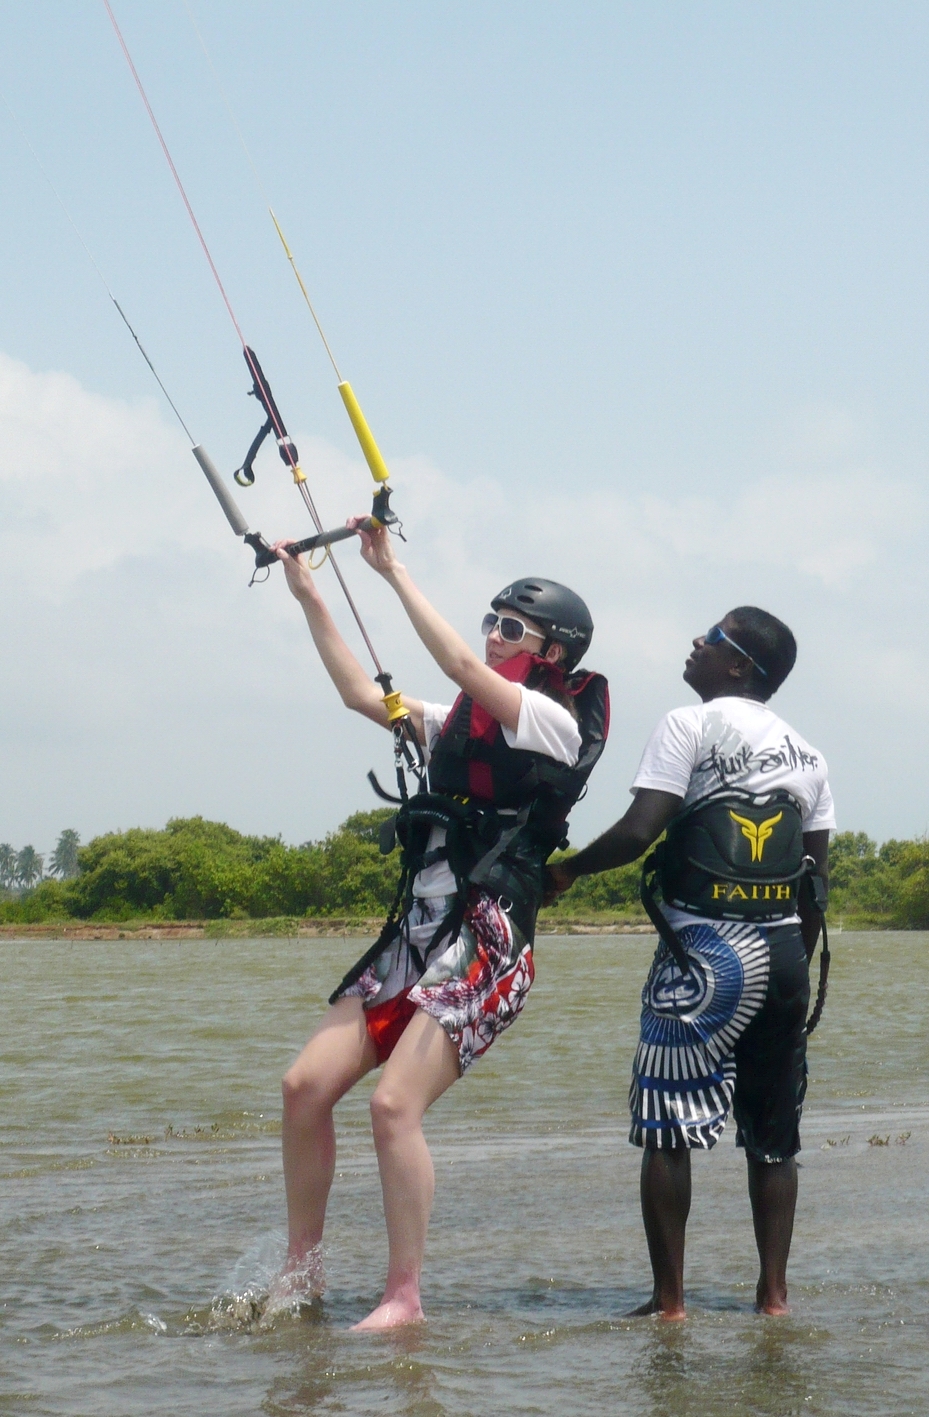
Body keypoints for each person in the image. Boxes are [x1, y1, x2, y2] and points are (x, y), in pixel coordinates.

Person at [273, 523, 608, 1330]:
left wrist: (392, 571)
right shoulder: (453, 718)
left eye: (509, 627)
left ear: (551, 653)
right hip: (418, 929)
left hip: (487, 941)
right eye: (487, 620)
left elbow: (460, 664)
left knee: (393, 1107)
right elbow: (362, 694)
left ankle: (403, 1295)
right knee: (303, 1088)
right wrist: (311, 595)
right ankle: (302, 1270)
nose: (491, 635)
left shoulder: (550, 722)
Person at [548, 607, 833, 1320]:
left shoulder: (688, 723)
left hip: (705, 955)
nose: (695, 644)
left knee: (667, 1128)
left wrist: (566, 871)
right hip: (785, 959)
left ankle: (669, 1302)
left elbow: (642, 828)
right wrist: (788, 966)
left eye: (710, 639)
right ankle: (772, 1298)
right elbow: (814, 886)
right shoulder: (809, 754)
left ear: (737, 665)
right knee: (772, 1138)